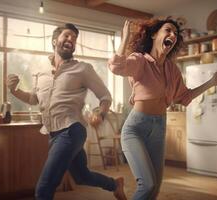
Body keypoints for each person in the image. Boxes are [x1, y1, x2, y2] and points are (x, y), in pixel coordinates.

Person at [108, 18, 217, 200]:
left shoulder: (172, 69)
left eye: (176, 34)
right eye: (168, 30)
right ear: (155, 34)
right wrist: (124, 39)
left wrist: (212, 82)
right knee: (147, 184)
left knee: (154, 189)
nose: (173, 35)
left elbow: (185, 97)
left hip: (159, 127)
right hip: (136, 128)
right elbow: (116, 67)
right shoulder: (140, 60)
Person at [7, 23, 127, 200]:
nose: (71, 39)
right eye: (67, 35)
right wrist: (14, 90)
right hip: (53, 134)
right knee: (82, 176)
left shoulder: (83, 69)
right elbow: (34, 99)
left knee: (43, 189)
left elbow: (105, 96)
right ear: (55, 41)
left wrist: (100, 114)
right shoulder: (42, 73)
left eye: (74, 38)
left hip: (72, 130)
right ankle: (114, 184)